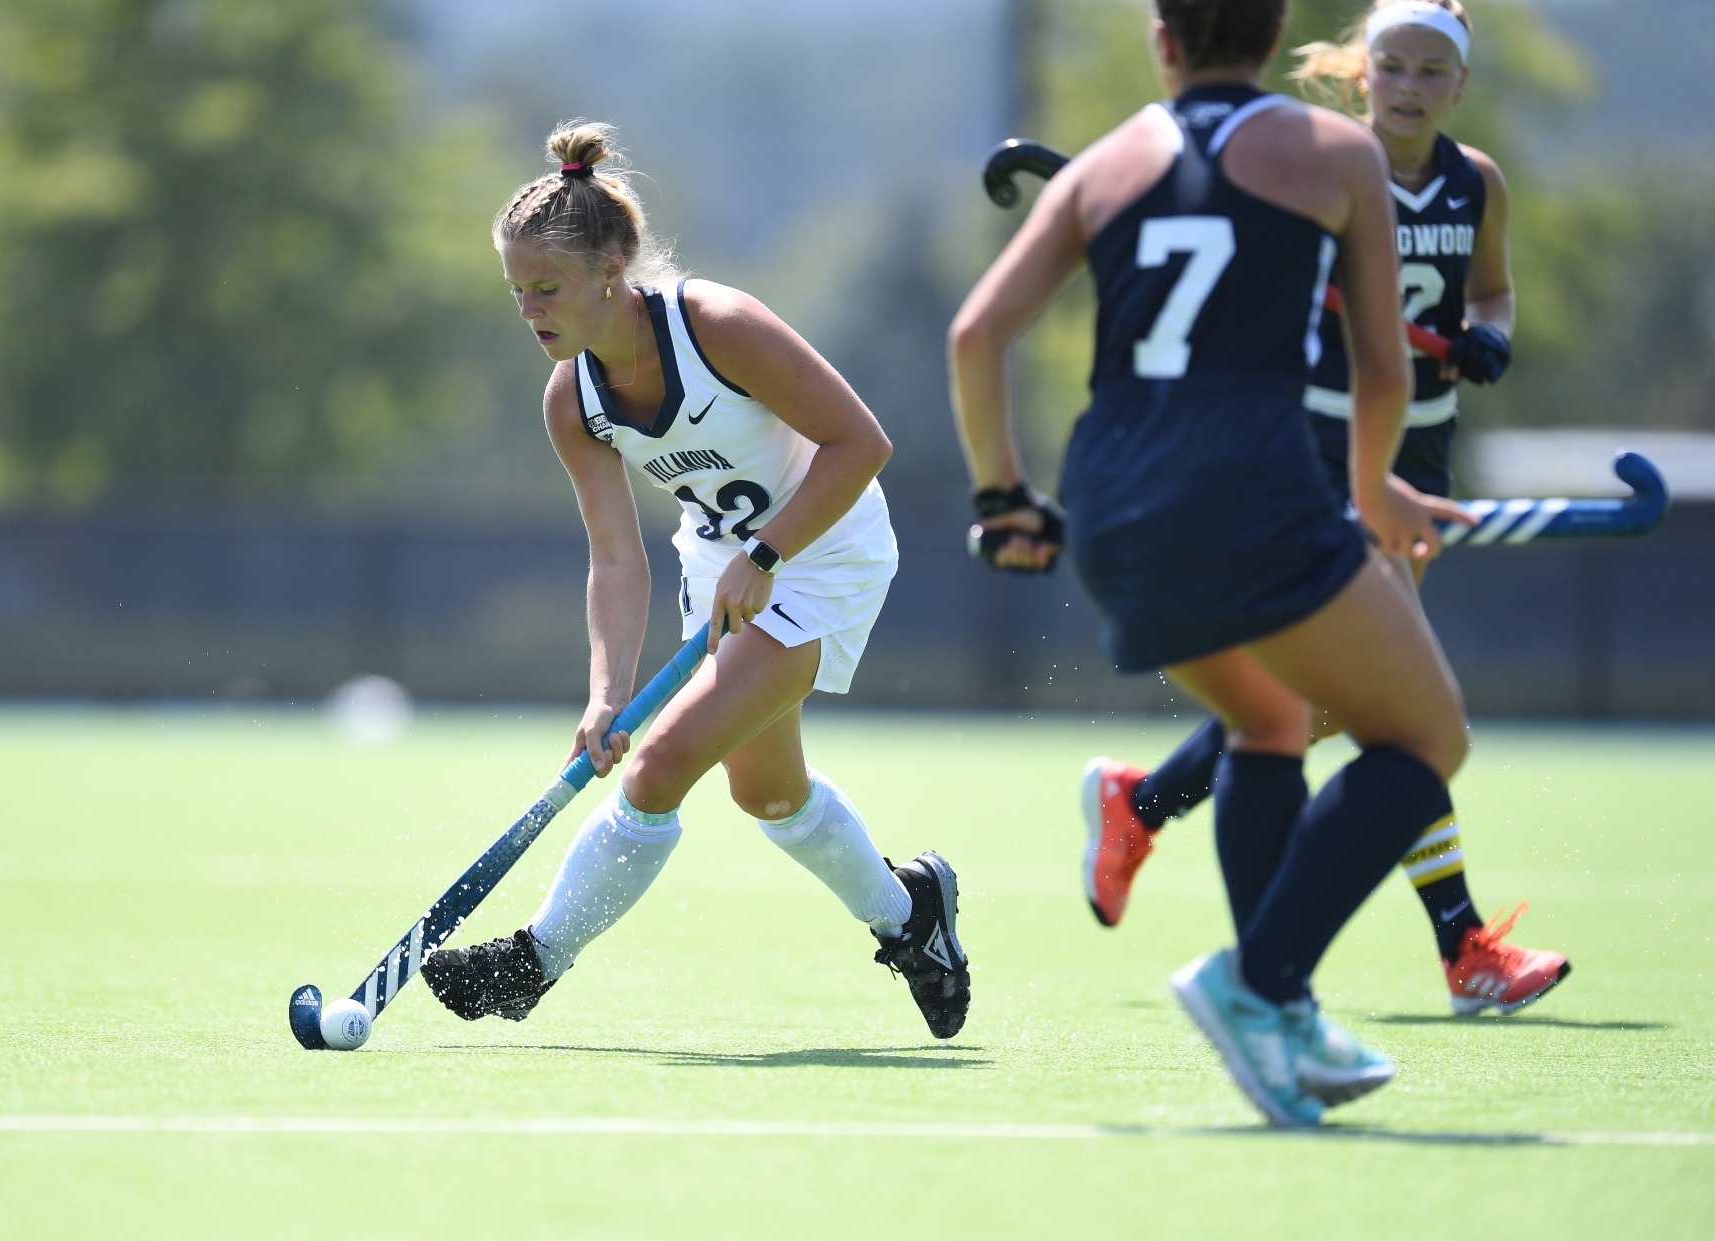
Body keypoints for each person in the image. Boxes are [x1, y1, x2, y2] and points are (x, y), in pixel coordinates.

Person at [949, 0, 1476, 1122]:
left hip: (1109, 504)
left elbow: (974, 336)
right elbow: (1380, 371)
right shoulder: (1336, 150)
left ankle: (1279, 1013)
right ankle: (1258, 980)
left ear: (1162, 40)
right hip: (1252, 487)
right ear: (1276, 31)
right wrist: (1374, 488)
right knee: (1422, 738)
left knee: (1266, 723)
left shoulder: (1104, 163)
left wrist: (1003, 497)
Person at [421, 123, 970, 1039]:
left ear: (611, 268)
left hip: (822, 548)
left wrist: (768, 554)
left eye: (547, 288)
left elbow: (861, 443)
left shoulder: (716, 327)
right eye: (518, 292)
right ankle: (912, 914)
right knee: (766, 792)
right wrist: (603, 695)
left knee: (666, 759)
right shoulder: (573, 399)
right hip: (721, 565)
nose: (531, 311)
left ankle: (534, 960)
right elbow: (616, 553)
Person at [1081, 0, 1569, 1018]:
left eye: (1429, 71)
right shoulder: (1320, 161)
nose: (1407, 86)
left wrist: (1488, 333)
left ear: (1456, 87)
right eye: (1390, 65)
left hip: (1417, 441)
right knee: (1394, 707)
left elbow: (1490, 293)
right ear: (1360, 73)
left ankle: (1146, 799)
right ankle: (1459, 944)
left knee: (1331, 706)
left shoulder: (1475, 182)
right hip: (1324, 445)